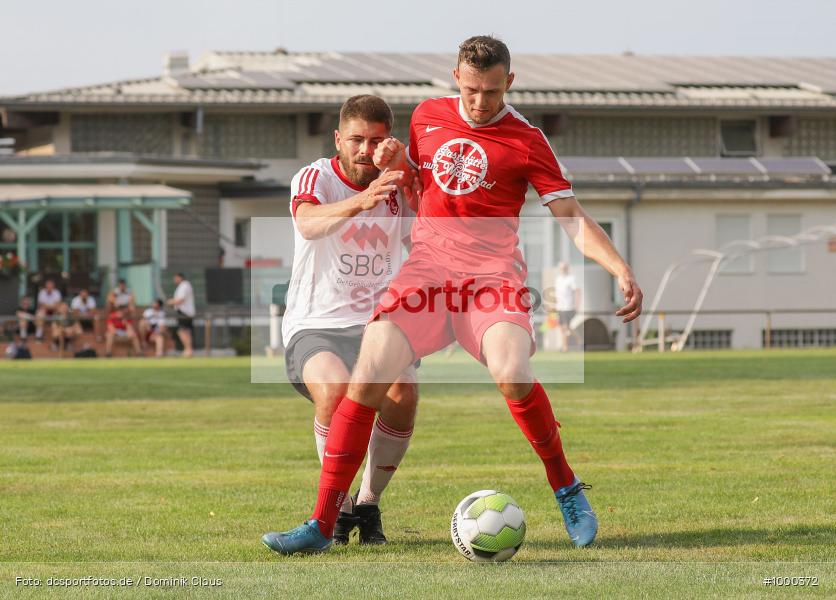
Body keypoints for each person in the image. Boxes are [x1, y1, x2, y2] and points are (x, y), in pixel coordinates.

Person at [265, 36, 643, 555]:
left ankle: (567, 488)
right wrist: (399, 162)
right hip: (424, 275)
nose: (479, 102)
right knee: (369, 379)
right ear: (455, 78)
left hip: (490, 279)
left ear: (509, 82)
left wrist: (619, 266)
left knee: (512, 375)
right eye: (470, 89)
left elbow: (571, 217)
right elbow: (416, 187)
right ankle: (323, 522)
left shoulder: (528, 140)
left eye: (490, 91)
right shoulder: (426, 116)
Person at [262, 95, 420, 553]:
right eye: (355, 139)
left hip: (378, 322)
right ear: (338, 139)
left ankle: (368, 504)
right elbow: (308, 223)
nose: (364, 149)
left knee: (403, 395)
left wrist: (410, 179)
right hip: (316, 322)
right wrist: (363, 199)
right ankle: (339, 508)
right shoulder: (316, 177)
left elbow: (425, 240)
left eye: (375, 141)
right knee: (335, 389)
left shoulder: (399, 186)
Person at [554, 262, 582, 352]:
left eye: (564, 268)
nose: (563, 269)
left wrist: (577, 305)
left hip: (568, 306)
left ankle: (565, 347)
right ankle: (579, 341)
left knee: (566, 327)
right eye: (562, 268)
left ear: (567, 268)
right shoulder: (558, 279)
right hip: (560, 307)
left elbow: (577, 292)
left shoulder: (571, 279)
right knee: (563, 328)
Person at [167, 273, 194, 357]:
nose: (174, 280)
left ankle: (188, 349)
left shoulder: (184, 285)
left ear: (179, 278)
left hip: (184, 312)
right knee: (186, 331)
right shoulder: (185, 285)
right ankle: (189, 350)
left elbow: (181, 300)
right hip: (187, 312)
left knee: (181, 331)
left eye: (175, 278)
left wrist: (171, 302)